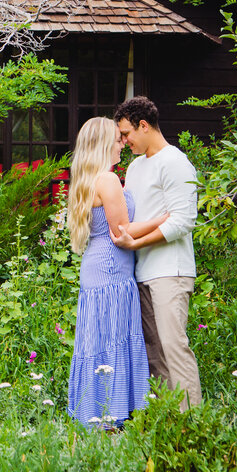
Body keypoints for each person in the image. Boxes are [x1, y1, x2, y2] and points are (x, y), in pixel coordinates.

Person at [65, 117, 168, 428]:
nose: (123, 143)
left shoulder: (86, 179)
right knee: (114, 337)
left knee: (98, 340)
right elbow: (122, 231)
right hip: (112, 270)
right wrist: (166, 217)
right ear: (102, 144)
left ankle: (95, 411)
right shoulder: (107, 180)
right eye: (117, 139)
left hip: (96, 270)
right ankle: (112, 415)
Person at [111, 96, 202, 409]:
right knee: (154, 351)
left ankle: (193, 423)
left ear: (144, 126)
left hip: (170, 271)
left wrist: (136, 243)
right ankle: (169, 422)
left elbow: (184, 220)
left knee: (174, 347)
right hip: (142, 271)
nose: (124, 141)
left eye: (126, 134)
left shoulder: (175, 162)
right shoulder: (136, 168)